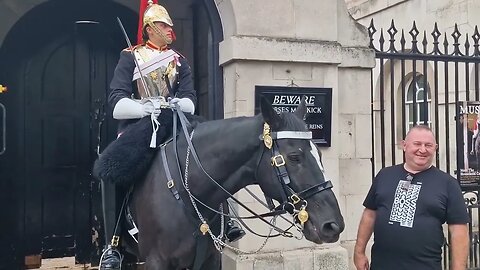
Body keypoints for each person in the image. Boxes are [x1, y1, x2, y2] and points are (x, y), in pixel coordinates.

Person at [99, 2, 244, 269]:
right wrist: (144, 107)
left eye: (171, 26)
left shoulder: (179, 61)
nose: (170, 31)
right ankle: (114, 243)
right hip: (140, 126)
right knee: (111, 170)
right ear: (150, 28)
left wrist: (172, 104)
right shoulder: (130, 56)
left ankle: (227, 220)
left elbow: (190, 99)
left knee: (212, 155)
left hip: (176, 121)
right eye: (165, 26)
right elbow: (116, 102)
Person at [354, 125, 469, 270]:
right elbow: (370, 215)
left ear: (435, 148)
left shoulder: (448, 184)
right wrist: (359, 252)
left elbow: (459, 231)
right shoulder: (384, 175)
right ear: (404, 145)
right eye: (417, 144)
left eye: (428, 145)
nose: (422, 149)